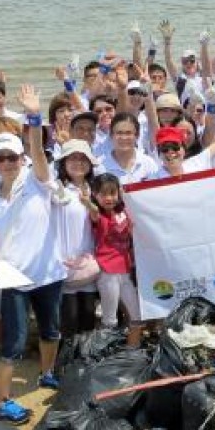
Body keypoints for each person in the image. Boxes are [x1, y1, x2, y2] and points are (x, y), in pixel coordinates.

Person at [0, 85, 67, 424]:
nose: (6, 163)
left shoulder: (36, 179)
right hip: (12, 278)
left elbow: (40, 154)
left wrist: (34, 116)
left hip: (48, 273)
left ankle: (47, 373)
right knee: (12, 344)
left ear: (22, 158)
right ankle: (2, 402)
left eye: (12, 157)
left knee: (51, 331)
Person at [85, 173, 143, 347]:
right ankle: (104, 356)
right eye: (103, 194)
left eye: (113, 193)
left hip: (126, 271)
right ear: (95, 195)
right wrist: (87, 202)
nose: (109, 198)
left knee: (137, 316)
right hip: (107, 273)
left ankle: (132, 352)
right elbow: (94, 212)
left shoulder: (125, 211)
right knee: (110, 319)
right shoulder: (97, 215)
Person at [54, 139, 100, 336]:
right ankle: (67, 362)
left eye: (83, 159)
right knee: (69, 320)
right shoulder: (56, 188)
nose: (78, 163)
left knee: (89, 317)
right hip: (64, 265)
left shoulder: (97, 189)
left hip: (91, 265)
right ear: (63, 163)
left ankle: (86, 363)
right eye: (72, 158)